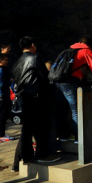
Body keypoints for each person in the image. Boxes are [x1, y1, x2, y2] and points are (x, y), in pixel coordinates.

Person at [12, 36, 59, 170]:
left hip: (22, 99)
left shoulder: (17, 62)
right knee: (41, 127)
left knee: (27, 129)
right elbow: (45, 77)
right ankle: (42, 154)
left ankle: (27, 156)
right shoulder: (35, 58)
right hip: (35, 98)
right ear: (33, 45)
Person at [57, 36, 92, 145]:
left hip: (58, 82)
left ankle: (63, 135)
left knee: (62, 110)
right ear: (89, 45)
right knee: (76, 111)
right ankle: (78, 139)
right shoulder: (87, 51)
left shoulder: (69, 50)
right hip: (70, 83)